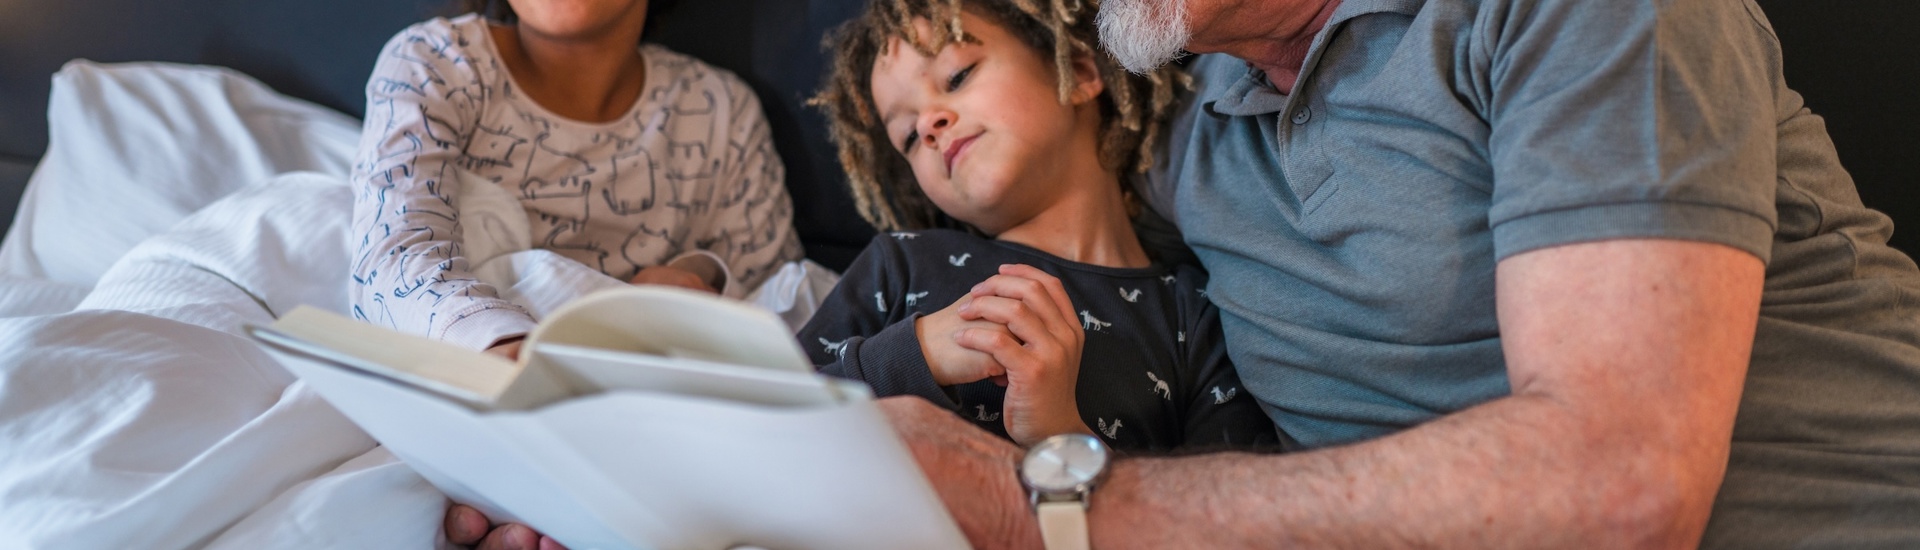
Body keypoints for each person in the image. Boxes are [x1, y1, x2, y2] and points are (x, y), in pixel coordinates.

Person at [452, 0, 1920, 547]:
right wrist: (588, 448)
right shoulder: (1194, 150)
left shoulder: (1567, 16)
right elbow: (844, 358)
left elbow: (1624, 479)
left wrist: (1055, 501)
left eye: (967, 70)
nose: (941, 128)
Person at [794, 0, 1278, 450]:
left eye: (957, 75)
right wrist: (913, 356)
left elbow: (1213, 510)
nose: (928, 126)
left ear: (1081, 72)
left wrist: (1064, 440)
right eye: (907, 137)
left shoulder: (1197, 318)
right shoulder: (897, 264)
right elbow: (754, 415)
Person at [348, 0, 803, 361]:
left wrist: (693, 279)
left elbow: (791, 315)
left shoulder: (720, 112)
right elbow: (394, 255)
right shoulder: (438, 63)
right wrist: (505, 349)